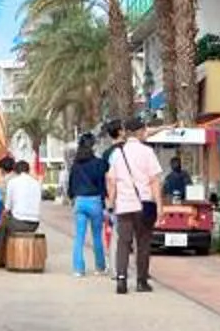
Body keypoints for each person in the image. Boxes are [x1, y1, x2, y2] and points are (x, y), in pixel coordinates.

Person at [108, 117, 165, 296]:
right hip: (144, 204)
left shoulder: (118, 153)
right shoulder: (147, 152)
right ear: (140, 131)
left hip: (124, 205)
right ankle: (141, 281)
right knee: (143, 243)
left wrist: (112, 200)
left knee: (123, 243)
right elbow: (155, 180)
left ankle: (122, 280)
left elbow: (110, 179)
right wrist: (159, 205)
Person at [65, 133, 109, 277]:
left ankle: (78, 269)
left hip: (80, 201)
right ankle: (100, 267)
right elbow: (103, 183)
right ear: (93, 145)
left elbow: (70, 184)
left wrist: (72, 197)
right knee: (97, 236)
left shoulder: (76, 165)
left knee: (79, 237)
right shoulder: (98, 163)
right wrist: (104, 200)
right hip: (95, 200)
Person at [0, 155, 45, 264]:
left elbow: (7, 207)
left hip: (18, 223)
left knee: (3, 224)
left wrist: (3, 217)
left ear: (15, 171)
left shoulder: (12, 182)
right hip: (34, 224)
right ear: (28, 170)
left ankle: (0, 256)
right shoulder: (36, 183)